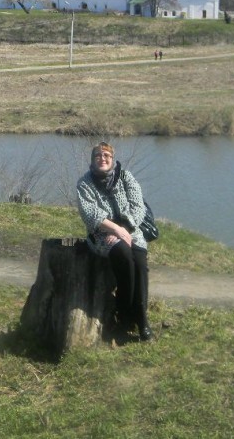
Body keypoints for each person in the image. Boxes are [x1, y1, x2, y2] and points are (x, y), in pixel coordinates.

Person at [76, 142, 153, 341]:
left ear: (112, 159)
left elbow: (138, 207)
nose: (102, 159)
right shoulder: (84, 183)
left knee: (140, 264)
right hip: (103, 235)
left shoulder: (126, 177)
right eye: (98, 156)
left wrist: (125, 229)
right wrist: (115, 229)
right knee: (124, 257)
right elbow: (91, 214)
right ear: (93, 160)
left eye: (106, 156)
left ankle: (142, 319)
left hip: (131, 231)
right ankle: (124, 316)